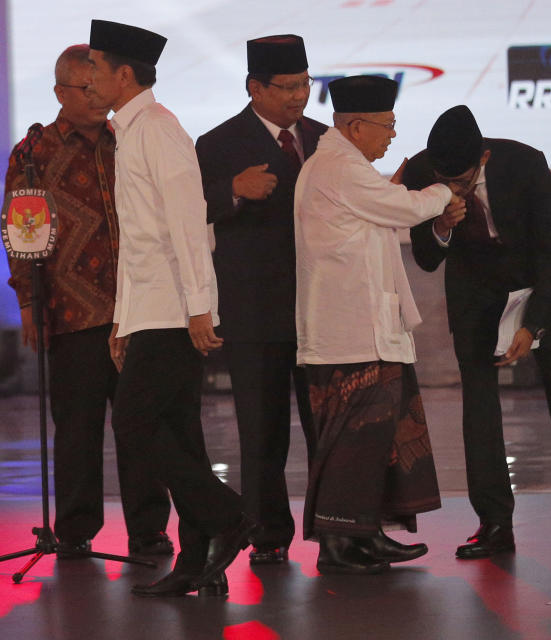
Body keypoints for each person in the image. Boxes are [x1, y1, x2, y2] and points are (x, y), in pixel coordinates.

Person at [84, 19, 256, 597]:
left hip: (174, 311)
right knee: (180, 434)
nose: (89, 79)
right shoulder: (130, 132)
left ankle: (224, 511)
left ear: (124, 74)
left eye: (96, 68)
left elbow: (188, 223)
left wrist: (200, 306)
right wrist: (121, 317)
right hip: (150, 309)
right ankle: (198, 555)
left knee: (133, 420)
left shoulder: (158, 130)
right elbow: (139, 239)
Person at [401, 105, 551, 558]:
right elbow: (425, 257)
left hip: (539, 287)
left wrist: (533, 324)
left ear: (484, 158)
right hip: (476, 298)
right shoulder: (421, 171)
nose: (454, 188)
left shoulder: (525, 163)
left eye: (461, 180)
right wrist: (440, 225)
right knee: (478, 409)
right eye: (445, 180)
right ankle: (494, 523)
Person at [3, 44, 172, 560]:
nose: (97, 97)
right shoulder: (35, 152)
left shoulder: (130, 139)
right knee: (76, 428)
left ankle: (149, 529)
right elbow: (20, 229)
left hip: (135, 307)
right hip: (72, 311)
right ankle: (76, 529)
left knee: (142, 425)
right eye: (85, 89)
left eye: (98, 86)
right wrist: (30, 305)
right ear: (60, 92)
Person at [294, 75, 459, 574]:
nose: (391, 135)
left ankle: (364, 535)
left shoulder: (346, 169)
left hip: (365, 329)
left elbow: (380, 212)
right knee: (353, 443)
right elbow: (406, 209)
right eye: (386, 126)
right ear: (357, 125)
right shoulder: (338, 167)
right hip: (349, 334)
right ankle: (340, 543)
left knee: (374, 442)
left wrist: (404, 193)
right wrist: (445, 190)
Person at [194, 34, 324, 565]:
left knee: (329, 428)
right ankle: (267, 533)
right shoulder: (217, 144)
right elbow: (188, 211)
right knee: (262, 431)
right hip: (253, 311)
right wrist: (231, 191)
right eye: (287, 86)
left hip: (320, 309)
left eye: (304, 85)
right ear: (255, 87)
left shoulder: (325, 139)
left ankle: (338, 528)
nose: (298, 97)